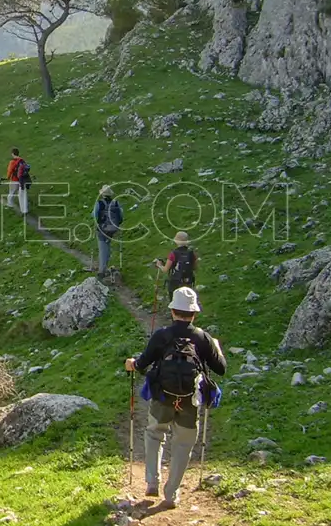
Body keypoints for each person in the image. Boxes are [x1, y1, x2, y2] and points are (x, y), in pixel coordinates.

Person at [124, 287, 226, 509]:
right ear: (194, 313)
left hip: (163, 396)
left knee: (154, 433)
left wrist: (131, 363)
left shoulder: (162, 335)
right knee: (183, 444)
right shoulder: (202, 337)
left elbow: (142, 365)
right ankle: (171, 494)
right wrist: (217, 348)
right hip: (191, 400)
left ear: (173, 311)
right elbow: (221, 369)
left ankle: (152, 480)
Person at [155, 231, 198, 299]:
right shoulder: (191, 253)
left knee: (174, 304)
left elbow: (165, 270)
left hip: (175, 283)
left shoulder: (173, 254)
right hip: (188, 282)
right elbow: (195, 267)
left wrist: (159, 265)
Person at [92, 185, 123, 278]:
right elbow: (121, 216)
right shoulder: (116, 203)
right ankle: (104, 266)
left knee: (102, 248)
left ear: (102, 194)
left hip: (102, 228)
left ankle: (102, 270)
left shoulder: (100, 203)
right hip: (113, 229)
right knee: (107, 245)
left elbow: (94, 214)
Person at [5, 148, 31, 214]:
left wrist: (7, 177)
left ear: (13, 154)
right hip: (22, 180)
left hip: (14, 180)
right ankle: (25, 210)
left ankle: (10, 204)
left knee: (11, 193)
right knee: (23, 195)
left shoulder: (12, 162)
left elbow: (10, 171)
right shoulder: (22, 161)